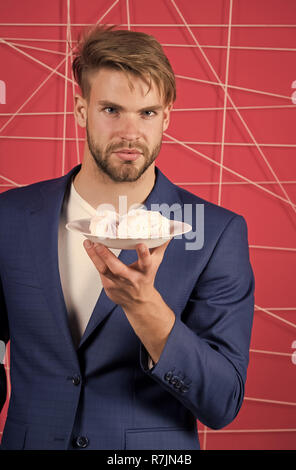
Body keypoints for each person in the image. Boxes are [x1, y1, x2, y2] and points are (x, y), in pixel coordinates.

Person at [0, 25, 255, 450]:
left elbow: (223, 401)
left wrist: (147, 310)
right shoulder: (9, 217)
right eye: (112, 110)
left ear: (167, 116)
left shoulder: (213, 233)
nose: (130, 132)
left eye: (148, 113)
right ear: (81, 110)